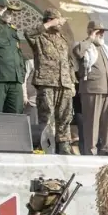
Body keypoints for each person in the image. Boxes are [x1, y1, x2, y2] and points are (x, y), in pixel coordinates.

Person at [25, 9, 75, 155]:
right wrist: (49, 24)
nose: (60, 23)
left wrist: (72, 82)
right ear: (49, 20)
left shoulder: (62, 38)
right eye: (57, 20)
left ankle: (64, 145)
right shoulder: (39, 37)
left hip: (64, 83)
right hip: (47, 82)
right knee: (46, 115)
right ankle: (45, 144)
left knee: (65, 115)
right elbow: (28, 33)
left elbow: (68, 62)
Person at [74, 21, 108, 156]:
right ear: (91, 31)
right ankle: (90, 151)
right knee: (92, 122)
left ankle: (106, 150)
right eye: (98, 31)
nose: (101, 34)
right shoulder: (84, 46)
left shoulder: (107, 50)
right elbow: (77, 52)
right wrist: (90, 38)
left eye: (102, 32)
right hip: (92, 90)